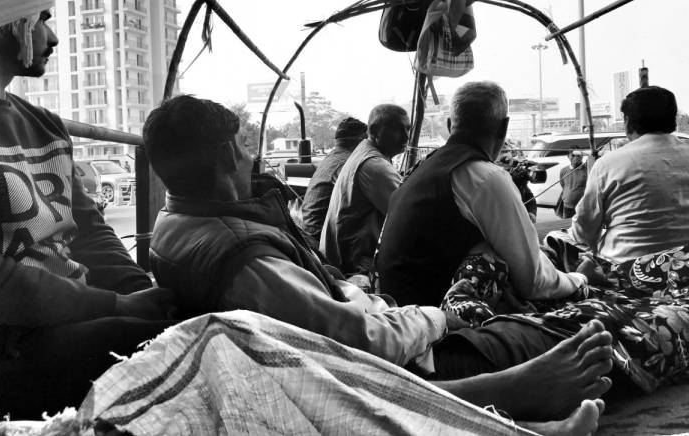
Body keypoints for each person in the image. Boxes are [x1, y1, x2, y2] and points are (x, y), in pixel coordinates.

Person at [144, 94, 613, 423]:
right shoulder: (243, 255)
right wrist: (435, 317)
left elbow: (323, 291)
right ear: (228, 153)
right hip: (369, 358)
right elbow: (360, 342)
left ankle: (512, 407)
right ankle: (509, 392)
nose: (253, 157)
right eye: (245, 146)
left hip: (361, 302)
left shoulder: (176, 226)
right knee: (549, 332)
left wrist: (358, 292)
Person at [0, 0, 176, 418]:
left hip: (73, 323)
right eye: (41, 18)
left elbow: (89, 230)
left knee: (192, 322)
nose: (53, 37)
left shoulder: (45, 125)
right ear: (4, 23)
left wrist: (143, 294)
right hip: (1, 351)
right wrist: (119, 309)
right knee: (203, 339)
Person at [376, 81, 589, 308]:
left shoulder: (422, 169)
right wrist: (579, 280)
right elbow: (533, 281)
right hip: (435, 322)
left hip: (395, 308)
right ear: (503, 128)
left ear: (450, 125)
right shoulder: (485, 177)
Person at [571, 86, 689, 261]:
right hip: (684, 268)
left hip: (626, 271)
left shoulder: (608, 163)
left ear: (627, 121)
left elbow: (584, 229)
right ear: (674, 119)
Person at [320, 104, 409, 286]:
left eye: (408, 129)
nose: (406, 136)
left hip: (338, 257)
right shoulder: (374, 165)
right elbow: (408, 216)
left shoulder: (364, 152)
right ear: (375, 130)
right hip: (355, 269)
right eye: (397, 129)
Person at [300, 117, 367, 248]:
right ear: (362, 140)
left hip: (310, 232)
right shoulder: (348, 163)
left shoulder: (331, 158)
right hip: (322, 240)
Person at [557, 147, 587, 219]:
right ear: (568, 156)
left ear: (582, 156)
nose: (576, 158)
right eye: (573, 155)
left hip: (583, 207)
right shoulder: (564, 170)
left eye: (578, 155)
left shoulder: (588, 169)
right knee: (567, 227)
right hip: (567, 207)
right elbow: (563, 185)